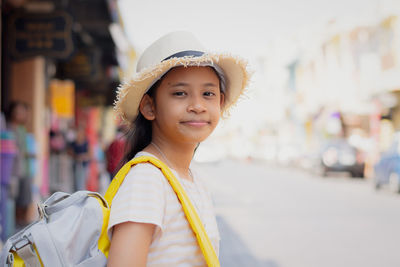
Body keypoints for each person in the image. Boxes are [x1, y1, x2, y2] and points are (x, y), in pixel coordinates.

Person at [107, 31, 250, 266]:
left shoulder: (191, 178)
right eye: (180, 93)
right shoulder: (147, 179)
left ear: (220, 102)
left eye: (208, 94)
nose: (197, 106)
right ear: (149, 107)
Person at [5, 101, 35, 227]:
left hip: (25, 169)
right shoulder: (9, 128)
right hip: (12, 170)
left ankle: (21, 224)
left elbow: (22, 150)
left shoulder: (22, 129)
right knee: (14, 199)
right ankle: (13, 225)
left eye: (23, 112)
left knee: (25, 198)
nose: (21, 115)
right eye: (18, 112)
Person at [70, 126, 90, 191]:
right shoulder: (74, 143)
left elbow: (90, 154)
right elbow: (70, 152)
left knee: (83, 181)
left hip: (84, 165)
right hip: (76, 164)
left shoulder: (86, 142)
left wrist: (83, 156)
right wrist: (76, 156)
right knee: (76, 181)